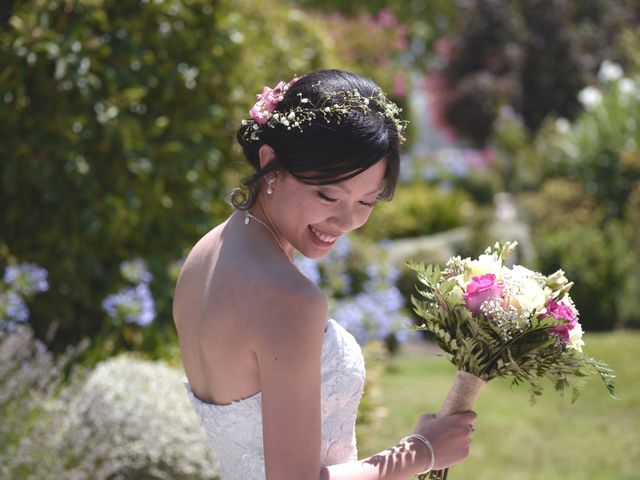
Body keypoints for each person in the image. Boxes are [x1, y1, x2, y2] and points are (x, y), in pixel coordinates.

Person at [173, 69, 476, 480]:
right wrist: (423, 451)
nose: (345, 220)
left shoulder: (206, 253)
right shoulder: (289, 299)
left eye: (366, 201)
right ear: (271, 163)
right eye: (327, 194)